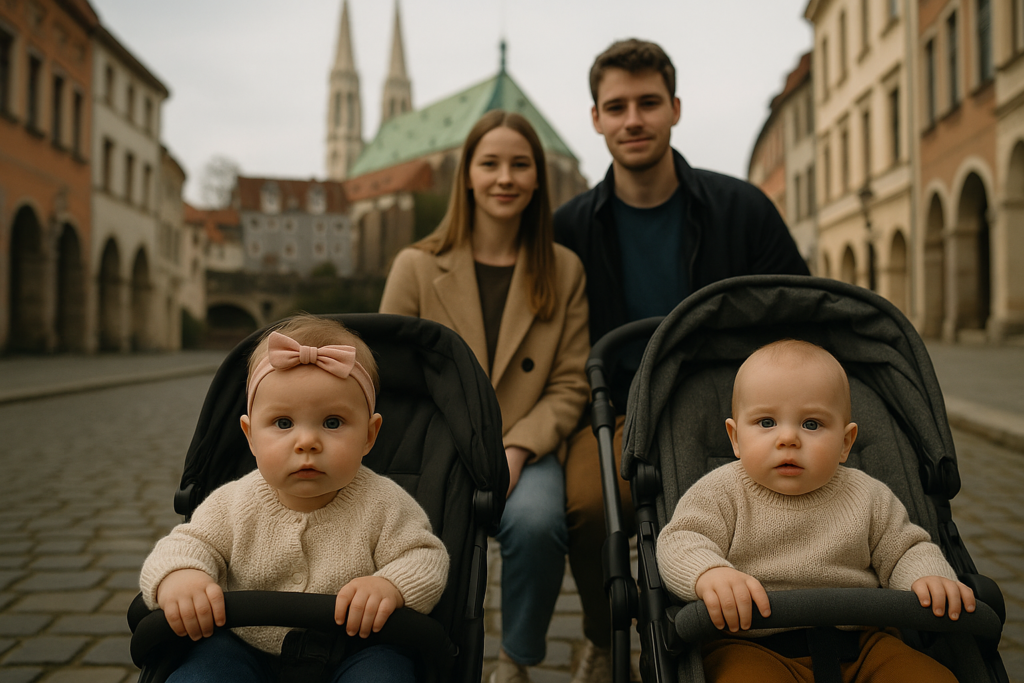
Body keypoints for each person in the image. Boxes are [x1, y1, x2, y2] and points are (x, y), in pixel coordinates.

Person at [552, 38, 811, 682]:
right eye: (616, 107)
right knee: (588, 506)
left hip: (726, 401)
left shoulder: (740, 208)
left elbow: (802, 314)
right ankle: (603, 634)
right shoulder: (571, 226)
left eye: (647, 103)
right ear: (596, 120)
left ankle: (743, 631)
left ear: (674, 108)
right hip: (612, 408)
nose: (632, 119)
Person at [380, 110, 590, 683]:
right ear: (466, 175)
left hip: (526, 444)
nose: (505, 177)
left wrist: (518, 449)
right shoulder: (417, 266)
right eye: (490, 163)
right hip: (437, 446)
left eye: (520, 165)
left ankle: (515, 660)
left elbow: (570, 382)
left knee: (538, 523)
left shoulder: (564, 270)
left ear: (538, 178)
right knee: (418, 530)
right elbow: (390, 378)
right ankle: (421, 652)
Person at [139, 314, 450, 683]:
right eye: (283, 423)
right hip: (241, 646)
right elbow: (184, 545)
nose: (307, 442)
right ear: (250, 435)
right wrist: (181, 577)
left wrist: (391, 586)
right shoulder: (232, 504)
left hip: (358, 648)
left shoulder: (384, 504)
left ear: (369, 435)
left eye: (332, 422)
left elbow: (425, 556)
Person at [656, 339, 975, 683]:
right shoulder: (722, 492)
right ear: (735, 438)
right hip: (749, 645)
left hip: (864, 645)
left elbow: (904, 550)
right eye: (766, 423)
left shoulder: (868, 496)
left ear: (845, 443)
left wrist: (926, 576)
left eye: (811, 424)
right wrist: (709, 574)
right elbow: (681, 539)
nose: (788, 438)